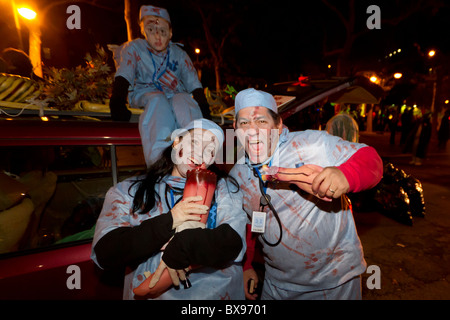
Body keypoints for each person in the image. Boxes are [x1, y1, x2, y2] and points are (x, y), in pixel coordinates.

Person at [229, 88, 383, 300]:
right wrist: (246, 266)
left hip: (333, 281)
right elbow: (248, 224)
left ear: (278, 124)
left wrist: (345, 175)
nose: (252, 131)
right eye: (244, 123)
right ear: (235, 129)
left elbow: (371, 160)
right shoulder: (238, 174)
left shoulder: (312, 145)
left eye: (261, 122)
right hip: (277, 284)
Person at [91, 118, 246, 300]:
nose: (200, 153)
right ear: (177, 142)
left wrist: (185, 247)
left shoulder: (223, 190)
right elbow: (105, 253)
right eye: (194, 142)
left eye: (210, 150)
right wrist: (170, 220)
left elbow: (233, 243)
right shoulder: (130, 191)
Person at [109, 5, 211, 167]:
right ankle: (159, 162)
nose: (157, 36)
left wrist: (203, 107)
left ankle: (198, 155)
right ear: (143, 31)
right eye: (151, 30)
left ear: (170, 33)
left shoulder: (179, 54)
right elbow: (124, 73)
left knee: (184, 101)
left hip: (175, 93)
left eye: (162, 31)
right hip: (146, 93)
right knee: (157, 102)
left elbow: (192, 81)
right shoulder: (134, 48)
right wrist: (117, 100)